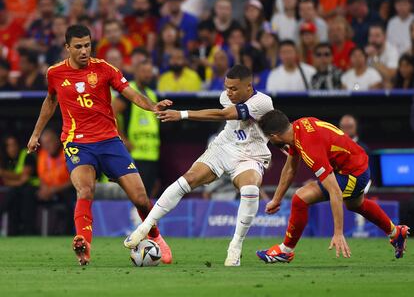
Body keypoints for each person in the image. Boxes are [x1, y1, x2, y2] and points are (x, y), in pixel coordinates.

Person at [26, 24, 173, 266]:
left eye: (87, 45)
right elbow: (50, 101)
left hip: (109, 142)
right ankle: (84, 245)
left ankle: (157, 238)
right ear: (67, 48)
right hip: (77, 143)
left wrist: (151, 106)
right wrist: (35, 134)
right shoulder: (54, 73)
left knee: (140, 198)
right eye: (78, 46)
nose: (84, 50)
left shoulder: (104, 69)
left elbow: (131, 93)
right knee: (85, 190)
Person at [124, 64, 274, 267]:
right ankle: (145, 226)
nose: (228, 93)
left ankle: (235, 246)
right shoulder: (225, 97)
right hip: (224, 146)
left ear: (249, 87)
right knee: (187, 180)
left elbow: (223, 115)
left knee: (249, 189)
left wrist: (182, 114)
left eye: (234, 89)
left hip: (250, 154)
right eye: (226, 87)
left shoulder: (263, 102)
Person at [256, 109, 409, 263]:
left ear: (274, 136)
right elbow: (290, 169)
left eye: (269, 138)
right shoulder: (299, 126)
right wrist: (276, 199)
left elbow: (335, 191)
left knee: (300, 198)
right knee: (356, 204)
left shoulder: (309, 147)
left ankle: (285, 250)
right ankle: (396, 233)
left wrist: (338, 232)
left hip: (353, 174)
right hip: (356, 163)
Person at [113, 60, 161, 198]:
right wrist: (121, 138)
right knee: (135, 197)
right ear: (136, 72)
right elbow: (112, 111)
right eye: (144, 72)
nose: (147, 75)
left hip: (152, 154)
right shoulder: (129, 91)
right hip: (135, 155)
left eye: (150, 72)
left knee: (148, 196)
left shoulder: (151, 94)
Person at [37, 128, 76, 234]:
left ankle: (65, 233)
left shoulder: (68, 152)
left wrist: (54, 190)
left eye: (49, 142)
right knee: (26, 194)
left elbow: (75, 179)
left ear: (57, 140)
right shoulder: (43, 154)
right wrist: (44, 189)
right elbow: (42, 176)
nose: (47, 146)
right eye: (44, 143)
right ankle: (29, 231)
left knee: (71, 197)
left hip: (67, 189)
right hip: (49, 189)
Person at [0, 135, 38, 235]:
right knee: (13, 197)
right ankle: (13, 232)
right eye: (9, 146)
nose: (12, 148)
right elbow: (6, 182)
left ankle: (28, 231)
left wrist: (3, 173)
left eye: (14, 145)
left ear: (18, 145)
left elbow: (24, 179)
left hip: (33, 188)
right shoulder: (6, 159)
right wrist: (14, 181)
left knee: (21, 194)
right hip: (17, 189)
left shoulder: (27, 155)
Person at [366, 23, 399, 88]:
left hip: (385, 87)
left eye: (377, 36)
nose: (373, 39)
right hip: (368, 85)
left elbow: (391, 76)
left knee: (387, 84)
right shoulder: (364, 52)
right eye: (371, 36)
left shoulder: (392, 51)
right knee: (356, 85)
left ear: (385, 36)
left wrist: (374, 58)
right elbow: (358, 74)